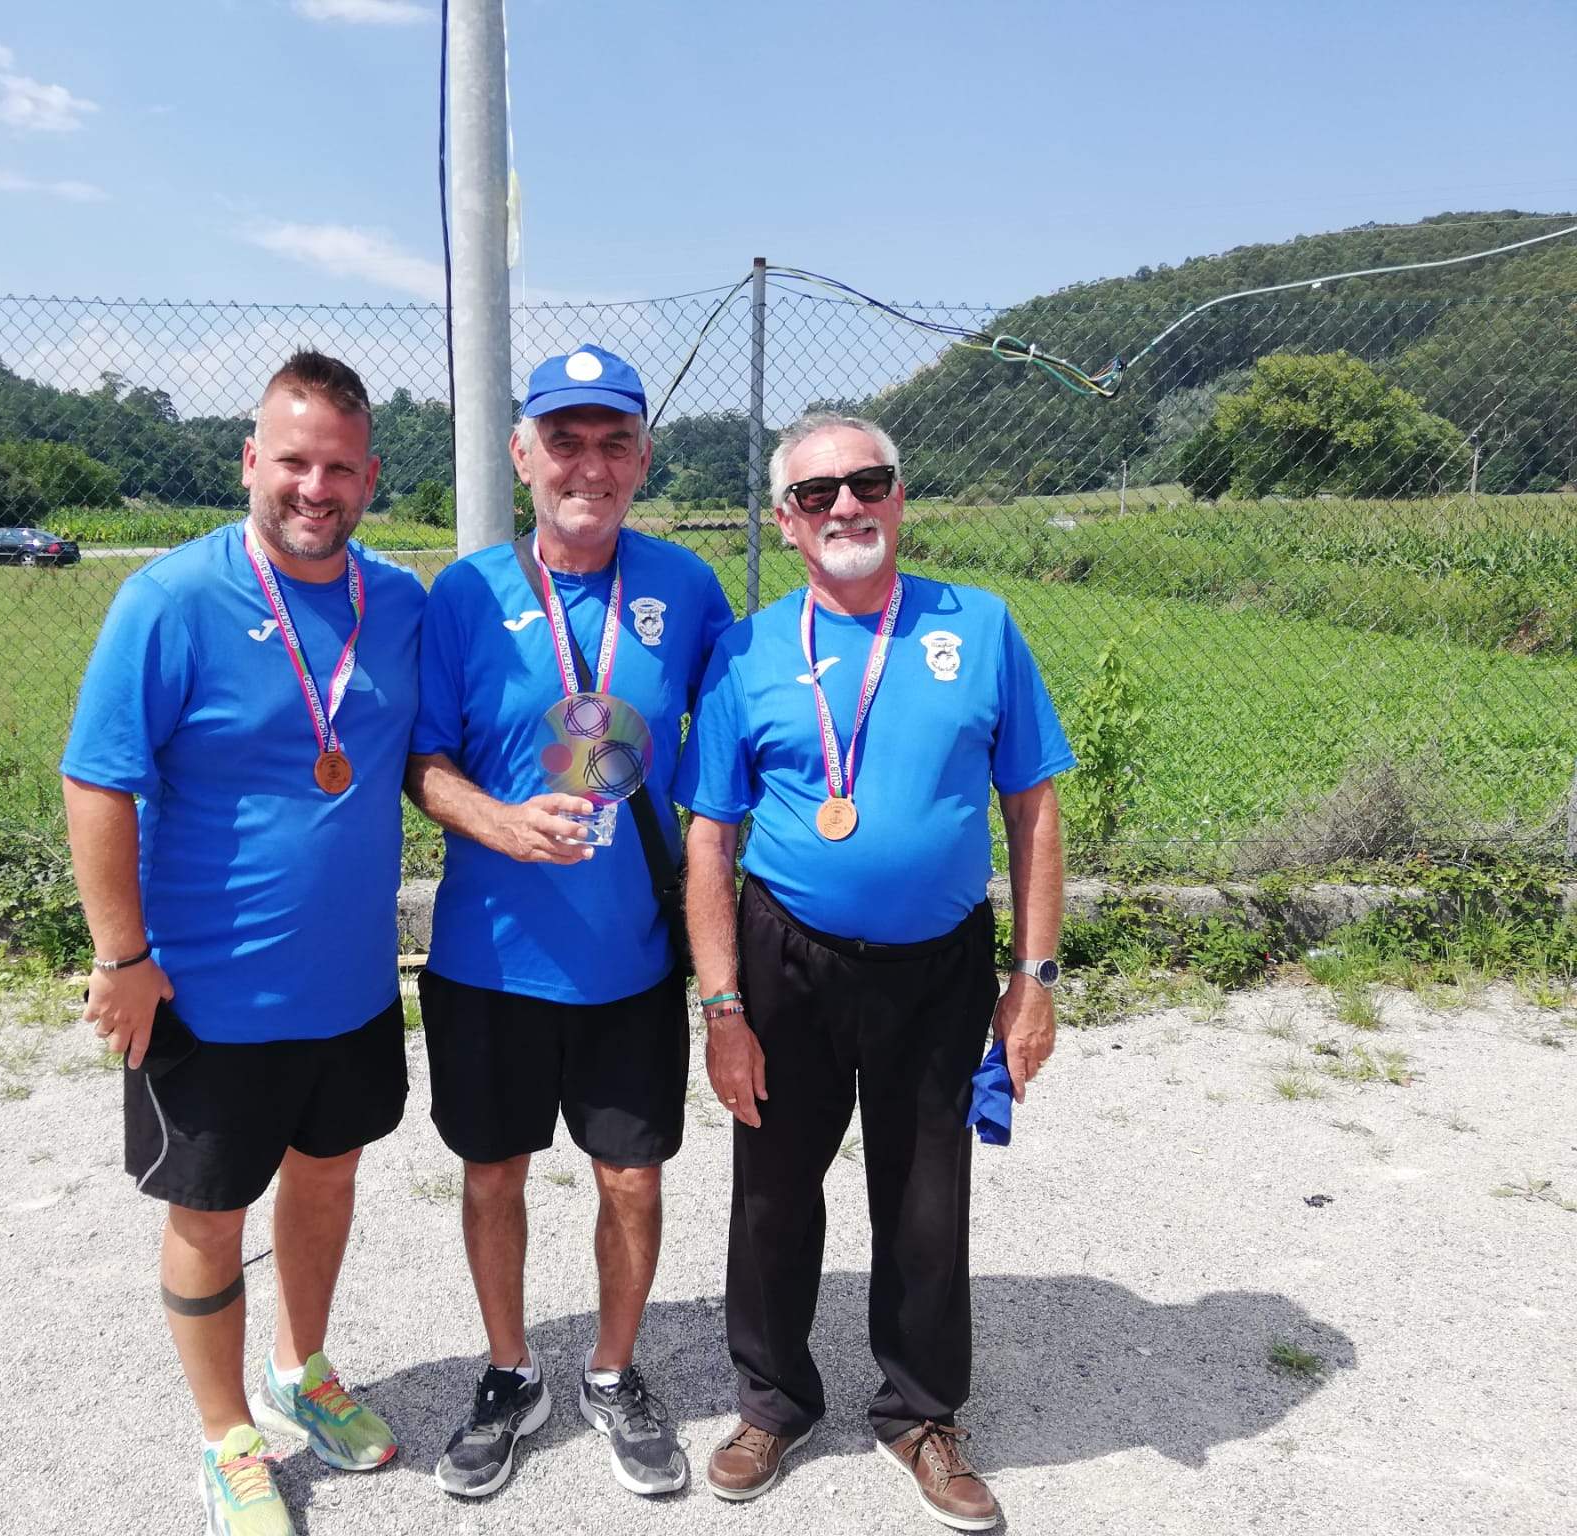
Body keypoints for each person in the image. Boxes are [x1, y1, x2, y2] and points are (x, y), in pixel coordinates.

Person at [676, 413, 1074, 1530]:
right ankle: (770, 1399)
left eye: (866, 483)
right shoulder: (749, 649)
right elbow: (707, 835)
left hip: (937, 966)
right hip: (784, 953)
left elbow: (1032, 805)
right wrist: (720, 1007)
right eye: (815, 494)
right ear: (783, 521)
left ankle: (919, 1413)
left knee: (924, 1195)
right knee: (769, 1189)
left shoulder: (978, 628)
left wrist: (1033, 976)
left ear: (899, 496)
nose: (844, 506)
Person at [60, 352, 425, 1536]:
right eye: (291, 462)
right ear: (248, 464)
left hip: (356, 987)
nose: (312, 487)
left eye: (337, 467)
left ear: (369, 477)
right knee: (208, 1215)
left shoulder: (400, 601)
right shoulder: (168, 600)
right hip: (207, 998)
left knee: (326, 1183)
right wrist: (123, 960)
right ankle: (225, 1437)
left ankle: (300, 1369)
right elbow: (97, 782)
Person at [406, 345, 735, 1500]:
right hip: (488, 961)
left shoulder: (686, 588)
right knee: (492, 1175)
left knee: (631, 1182)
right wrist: (494, 822)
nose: (585, 465)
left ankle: (609, 1371)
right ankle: (510, 1374)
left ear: (642, 457)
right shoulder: (462, 594)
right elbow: (423, 762)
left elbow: (736, 758)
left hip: (631, 960)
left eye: (610, 442)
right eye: (562, 440)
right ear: (520, 454)